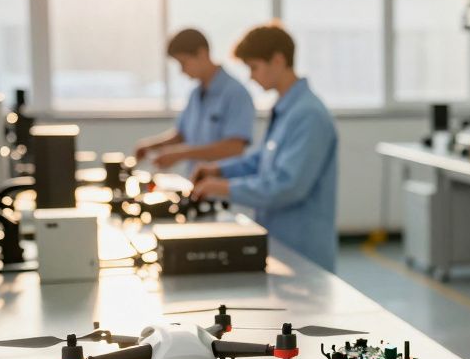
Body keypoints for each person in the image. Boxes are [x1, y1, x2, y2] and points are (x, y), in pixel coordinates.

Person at [191, 24, 339, 272]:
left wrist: (222, 188)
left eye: (254, 67)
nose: (250, 77)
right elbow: (261, 160)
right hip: (278, 241)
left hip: (304, 251)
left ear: (278, 60)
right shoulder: (286, 108)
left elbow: (287, 185)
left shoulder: (308, 115)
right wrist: (218, 171)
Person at [136, 28, 255, 175]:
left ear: (202, 53)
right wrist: (152, 146)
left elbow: (234, 148)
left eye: (183, 63)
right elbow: (182, 135)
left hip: (223, 189)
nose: (182, 71)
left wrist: (181, 154)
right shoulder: (195, 94)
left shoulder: (236, 94)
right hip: (195, 185)